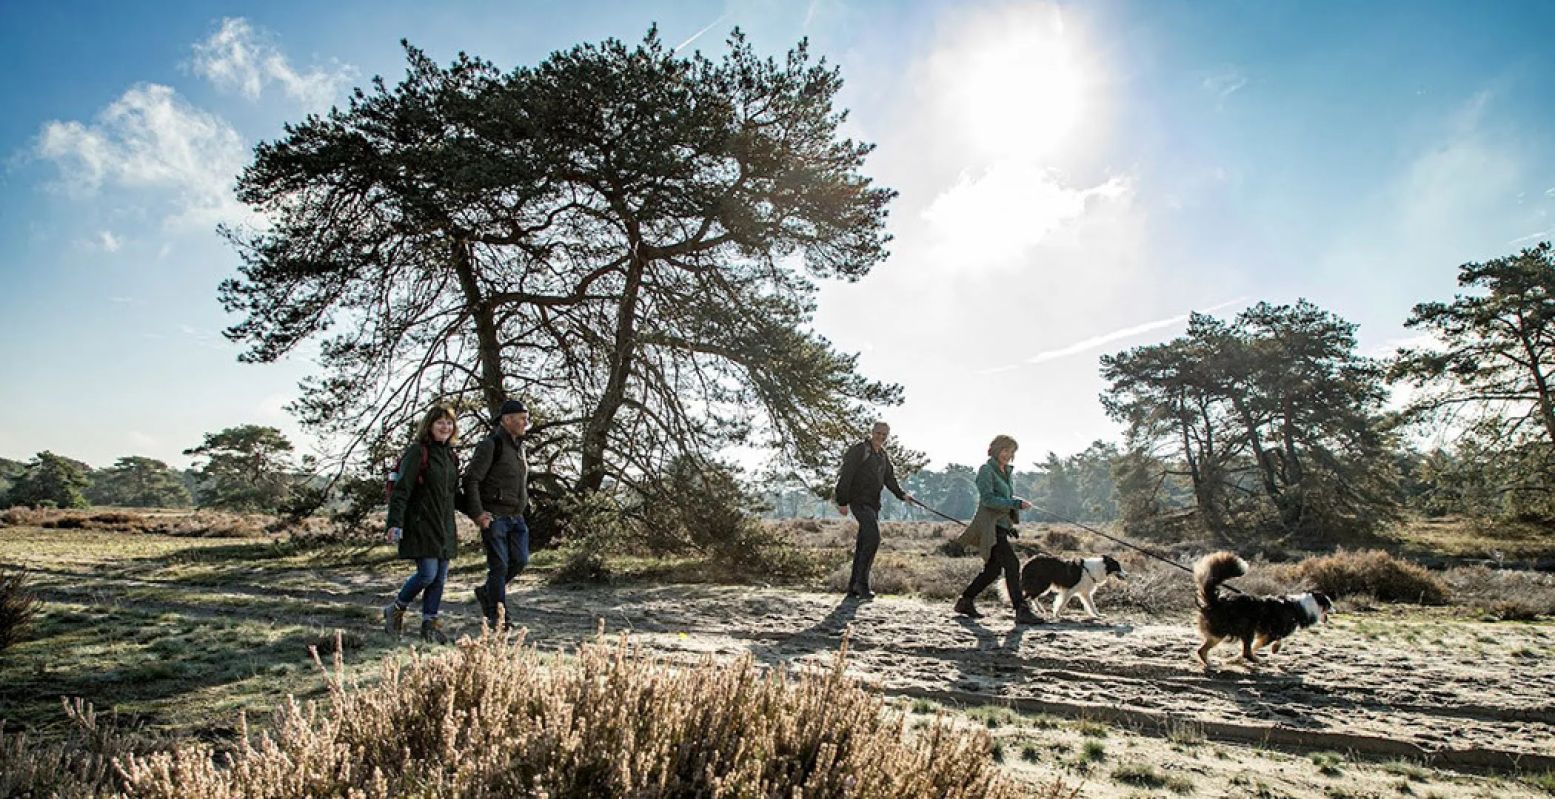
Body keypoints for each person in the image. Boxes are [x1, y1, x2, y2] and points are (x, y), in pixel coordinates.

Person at [382, 404, 461, 644]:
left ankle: (429, 625)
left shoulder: (451, 456)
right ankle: (395, 608)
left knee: (440, 579)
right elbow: (401, 490)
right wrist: (394, 523)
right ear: (429, 426)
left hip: (444, 526)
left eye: (449, 423)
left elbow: (454, 495)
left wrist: (480, 513)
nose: (445, 427)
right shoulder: (418, 452)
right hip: (421, 523)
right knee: (427, 574)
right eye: (440, 422)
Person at [954, 434, 1043, 625]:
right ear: (995, 449)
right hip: (989, 527)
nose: (1007, 454)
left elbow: (1004, 499)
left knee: (993, 570)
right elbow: (988, 499)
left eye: (1011, 451)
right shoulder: (986, 470)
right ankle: (1020, 609)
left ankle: (965, 600)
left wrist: (1010, 521)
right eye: (1004, 450)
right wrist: (1015, 504)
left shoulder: (1007, 472)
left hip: (1001, 526)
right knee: (1012, 564)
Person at [463, 398, 531, 628]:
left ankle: (486, 592)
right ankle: (498, 617)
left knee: (520, 560)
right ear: (506, 419)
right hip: (495, 517)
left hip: (517, 517)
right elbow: (471, 480)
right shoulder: (491, 445)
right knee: (499, 566)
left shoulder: (520, 447)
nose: (525, 422)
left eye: (526, 418)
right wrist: (478, 514)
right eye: (521, 418)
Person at [834, 421, 913, 599]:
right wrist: (842, 501)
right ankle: (861, 584)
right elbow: (846, 474)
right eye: (878, 433)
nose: (881, 437)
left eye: (884, 435)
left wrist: (902, 495)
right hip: (858, 501)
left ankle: (853, 586)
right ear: (872, 432)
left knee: (864, 543)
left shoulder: (883, 456)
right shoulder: (860, 450)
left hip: (873, 504)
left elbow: (889, 479)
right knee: (873, 538)